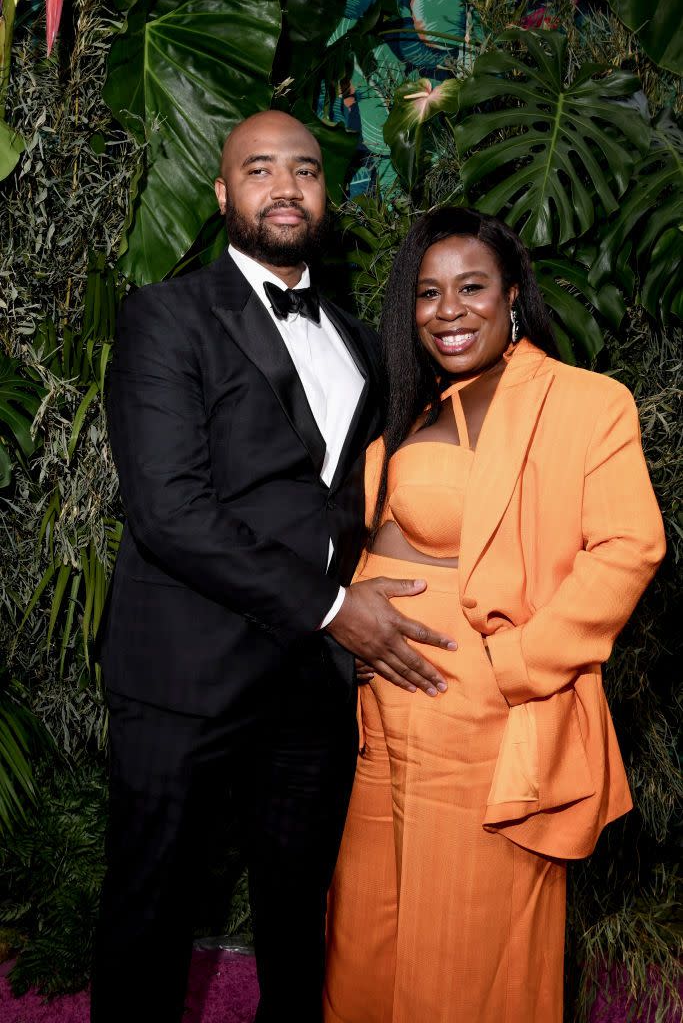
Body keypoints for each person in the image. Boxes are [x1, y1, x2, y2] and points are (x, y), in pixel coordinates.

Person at [91, 111, 458, 1023]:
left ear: (326, 196)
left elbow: (364, 496)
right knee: (152, 912)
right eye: (259, 169)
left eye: (305, 169)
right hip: (185, 669)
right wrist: (336, 607)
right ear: (223, 196)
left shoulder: (360, 337)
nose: (285, 186)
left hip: (310, 686)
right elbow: (170, 513)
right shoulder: (164, 315)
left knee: (300, 919)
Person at [323, 207, 666, 1023]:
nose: (449, 310)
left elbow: (628, 547)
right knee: (365, 941)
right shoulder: (413, 406)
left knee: (462, 955)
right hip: (381, 716)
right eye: (428, 292)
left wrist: (513, 667)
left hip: (481, 717)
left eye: (471, 287)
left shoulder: (582, 402)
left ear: (512, 295)